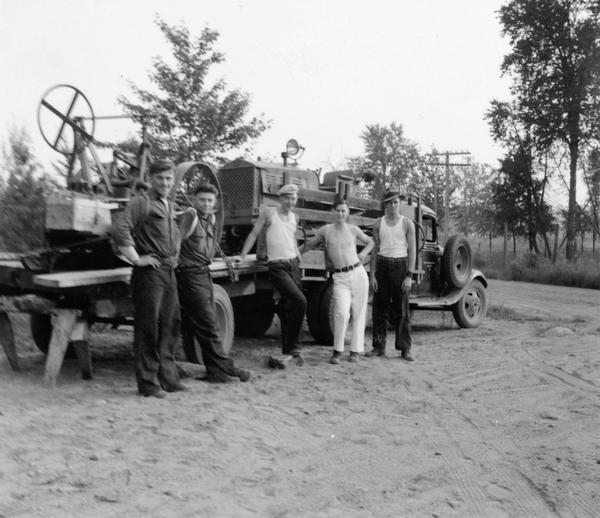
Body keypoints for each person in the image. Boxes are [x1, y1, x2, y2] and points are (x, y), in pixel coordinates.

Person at [113, 159, 186, 397]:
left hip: (168, 272)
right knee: (148, 328)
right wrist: (136, 259)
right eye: (160, 178)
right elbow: (120, 229)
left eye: (168, 179)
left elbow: (173, 235)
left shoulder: (169, 204)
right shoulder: (141, 202)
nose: (165, 183)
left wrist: (174, 256)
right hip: (149, 274)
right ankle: (147, 383)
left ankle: (169, 379)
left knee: (170, 325)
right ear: (151, 178)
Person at [176, 183, 251, 383]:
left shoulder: (211, 219)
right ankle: (228, 367)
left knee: (207, 324)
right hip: (189, 275)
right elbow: (175, 243)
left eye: (210, 200)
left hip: (203, 273)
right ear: (193, 199)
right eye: (202, 199)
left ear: (215, 202)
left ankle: (215, 372)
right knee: (207, 324)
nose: (206, 204)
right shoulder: (189, 216)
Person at [238, 184, 306, 364]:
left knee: (288, 306)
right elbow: (254, 234)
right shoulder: (269, 213)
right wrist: (242, 256)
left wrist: (297, 254)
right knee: (300, 301)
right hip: (276, 265)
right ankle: (293, 346)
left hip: (293, 263)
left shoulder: (295, 217)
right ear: (280, 198)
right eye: (287, 198)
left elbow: (291, 236)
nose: (290, 202)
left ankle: (290, 349)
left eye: (294, 198)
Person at [303, 196, 374, 364]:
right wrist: (295, 252)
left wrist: (363, 253)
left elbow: (371, 242)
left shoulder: (353, 229)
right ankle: (337, 351)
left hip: (357, 273)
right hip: (340, 277)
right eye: (338, 210)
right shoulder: (326, 231)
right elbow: (310, 244)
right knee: (341, 312)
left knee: (359, 312)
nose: (340, 214)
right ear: (332, 212)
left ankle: (355, 351)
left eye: (343, 211)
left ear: (347, 212)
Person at [366, 190, 416, 361]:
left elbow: (413, 252)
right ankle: (378, 346)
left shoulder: (407, 224)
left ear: (399, 203)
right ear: (385, 205)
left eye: (395, 202)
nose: (392, 206)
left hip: (400, 267)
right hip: (382, 266)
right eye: (389, 203)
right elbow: (374, 252)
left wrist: (409, 275)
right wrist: (372, 276)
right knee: (379, 308)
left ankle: (404, 348)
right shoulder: (378, 224)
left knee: (402, 311)